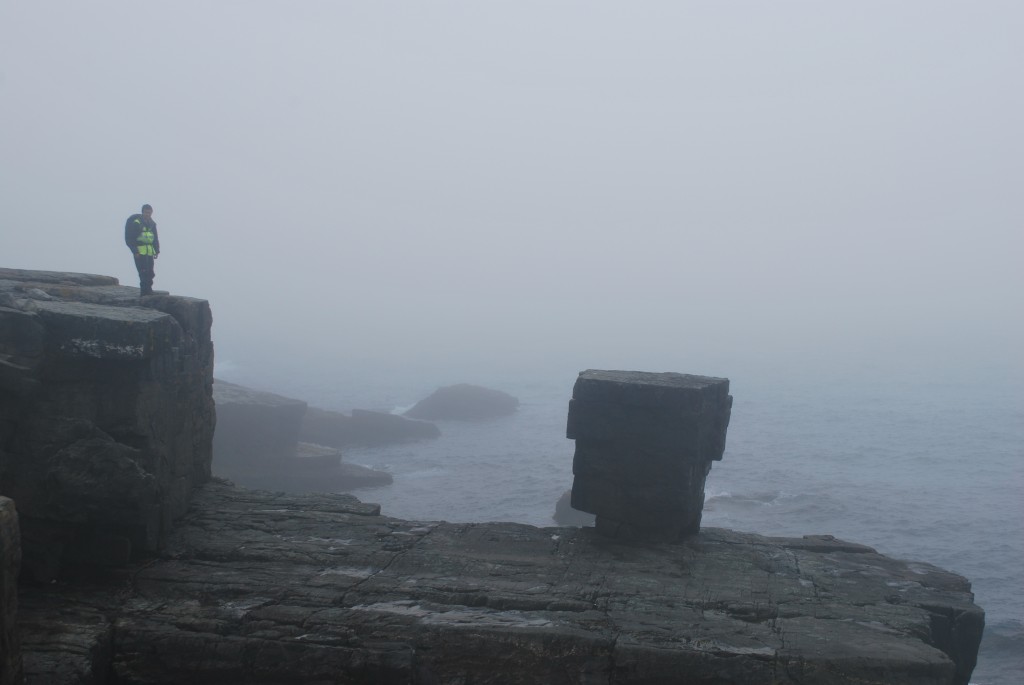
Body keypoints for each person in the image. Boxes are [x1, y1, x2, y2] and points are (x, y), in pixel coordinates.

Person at [124, 204, 160, 295]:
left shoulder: (152, 223)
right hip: (139, 251)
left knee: (150, 272)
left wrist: (156, 250)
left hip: (149, 251)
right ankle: (144, 292)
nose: (148, 214)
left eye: (149, 212)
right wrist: (135, 251)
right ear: (142, 212)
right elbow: (130, 238)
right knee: (143, 272)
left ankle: (149, 290)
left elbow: (155, 238)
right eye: (146, 212)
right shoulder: (136, 223)